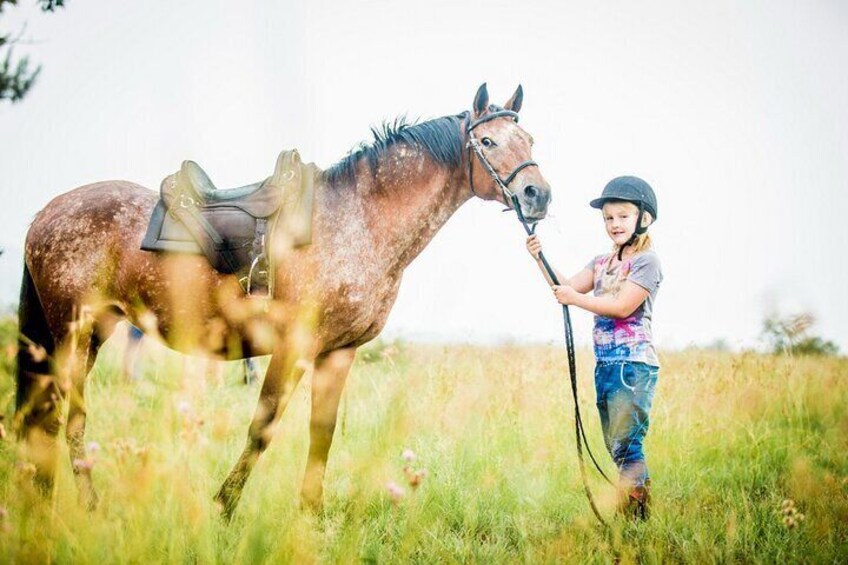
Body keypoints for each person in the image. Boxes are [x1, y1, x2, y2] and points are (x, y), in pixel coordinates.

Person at [526, 176, 662, 520]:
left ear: (643, 218)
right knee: (616, 446)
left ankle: (637, 516)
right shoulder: (601, 262)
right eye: (608, 218)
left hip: (632, 364)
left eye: (622, 216)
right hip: (606, 364)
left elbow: (621, 307)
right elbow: (567, 287)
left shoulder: (647, 262)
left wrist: (577, 299)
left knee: (628, 444)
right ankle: (632, 510)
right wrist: (540, 257)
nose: (614, 224)